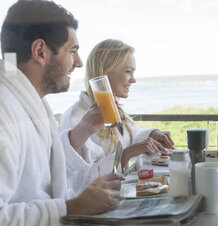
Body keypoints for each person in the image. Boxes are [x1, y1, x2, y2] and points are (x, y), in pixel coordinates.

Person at [0, 1, 123, 226]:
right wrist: (73, 207)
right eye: (72, 50)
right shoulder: (4, 113)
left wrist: (80, 134)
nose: (78, 62)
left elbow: (39, 174)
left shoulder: (28, 100)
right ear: (40, 51)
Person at [59, 39, 175, 194]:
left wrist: (153, 135)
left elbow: (133, 135)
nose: (133, 79)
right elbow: (77, 182)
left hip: (119, 194)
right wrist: (125, 155)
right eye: (128, 71)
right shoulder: (75, 118)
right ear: (106, 73)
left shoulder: (114, 109)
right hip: (94, 207)